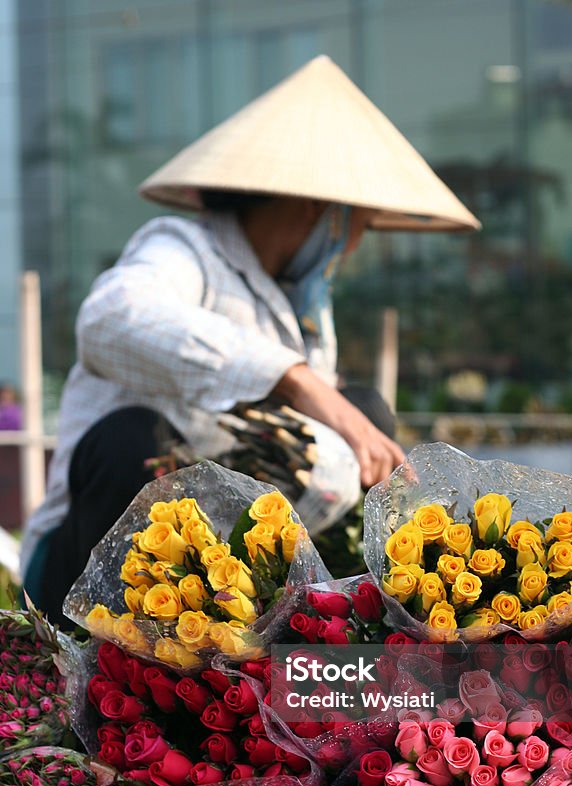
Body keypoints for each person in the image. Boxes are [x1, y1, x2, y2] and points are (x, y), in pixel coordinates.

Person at [21, 55, 479, 625]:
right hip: (84, 564)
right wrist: (294, 380)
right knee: (132, 440)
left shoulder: (298, 305)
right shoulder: (182, 248)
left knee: (363, 413)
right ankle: (95, 649)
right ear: (322, 210)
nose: (353, 248)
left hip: (215, 579)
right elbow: (110, 318)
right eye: (357, 226)